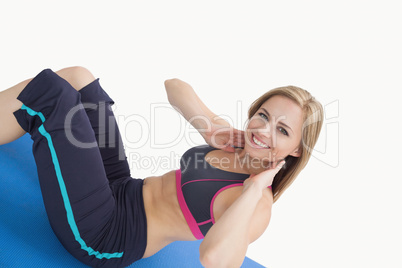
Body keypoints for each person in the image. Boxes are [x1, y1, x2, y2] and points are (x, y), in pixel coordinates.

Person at [0, 66, 323, 268]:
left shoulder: (256, 203)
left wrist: (253, 189)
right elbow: (175, 86)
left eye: (282, 130)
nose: (264, 131)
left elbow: (216, 259)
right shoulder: (233, 140)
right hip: (122, 185)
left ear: (296, 150)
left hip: (107, 234)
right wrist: (208, 126)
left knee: (52, 97)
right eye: (263, 115)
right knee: (78, 79)